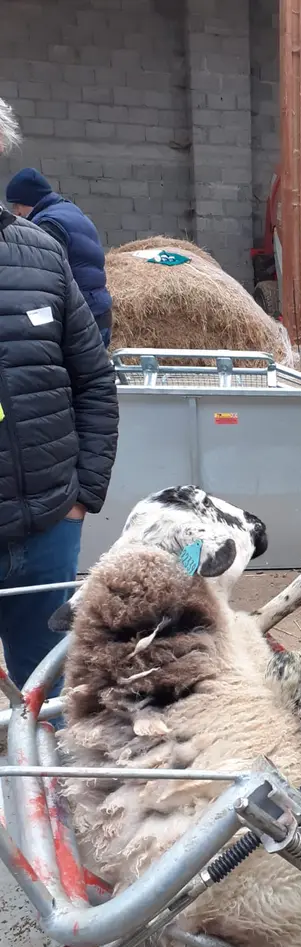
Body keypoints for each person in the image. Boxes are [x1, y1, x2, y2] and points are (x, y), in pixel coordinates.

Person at [0, 98, 118, 693]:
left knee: (43, 691)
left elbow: (95, 379)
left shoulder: (42, 252)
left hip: (47, 527)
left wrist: (82, 495)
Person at [6, 167, 113, 348]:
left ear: (30, 200)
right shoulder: (69, 212)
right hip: (98, 311)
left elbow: (44, 278)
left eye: (17, 205)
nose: (16, 212)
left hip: (78, 322)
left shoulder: (48, 225)